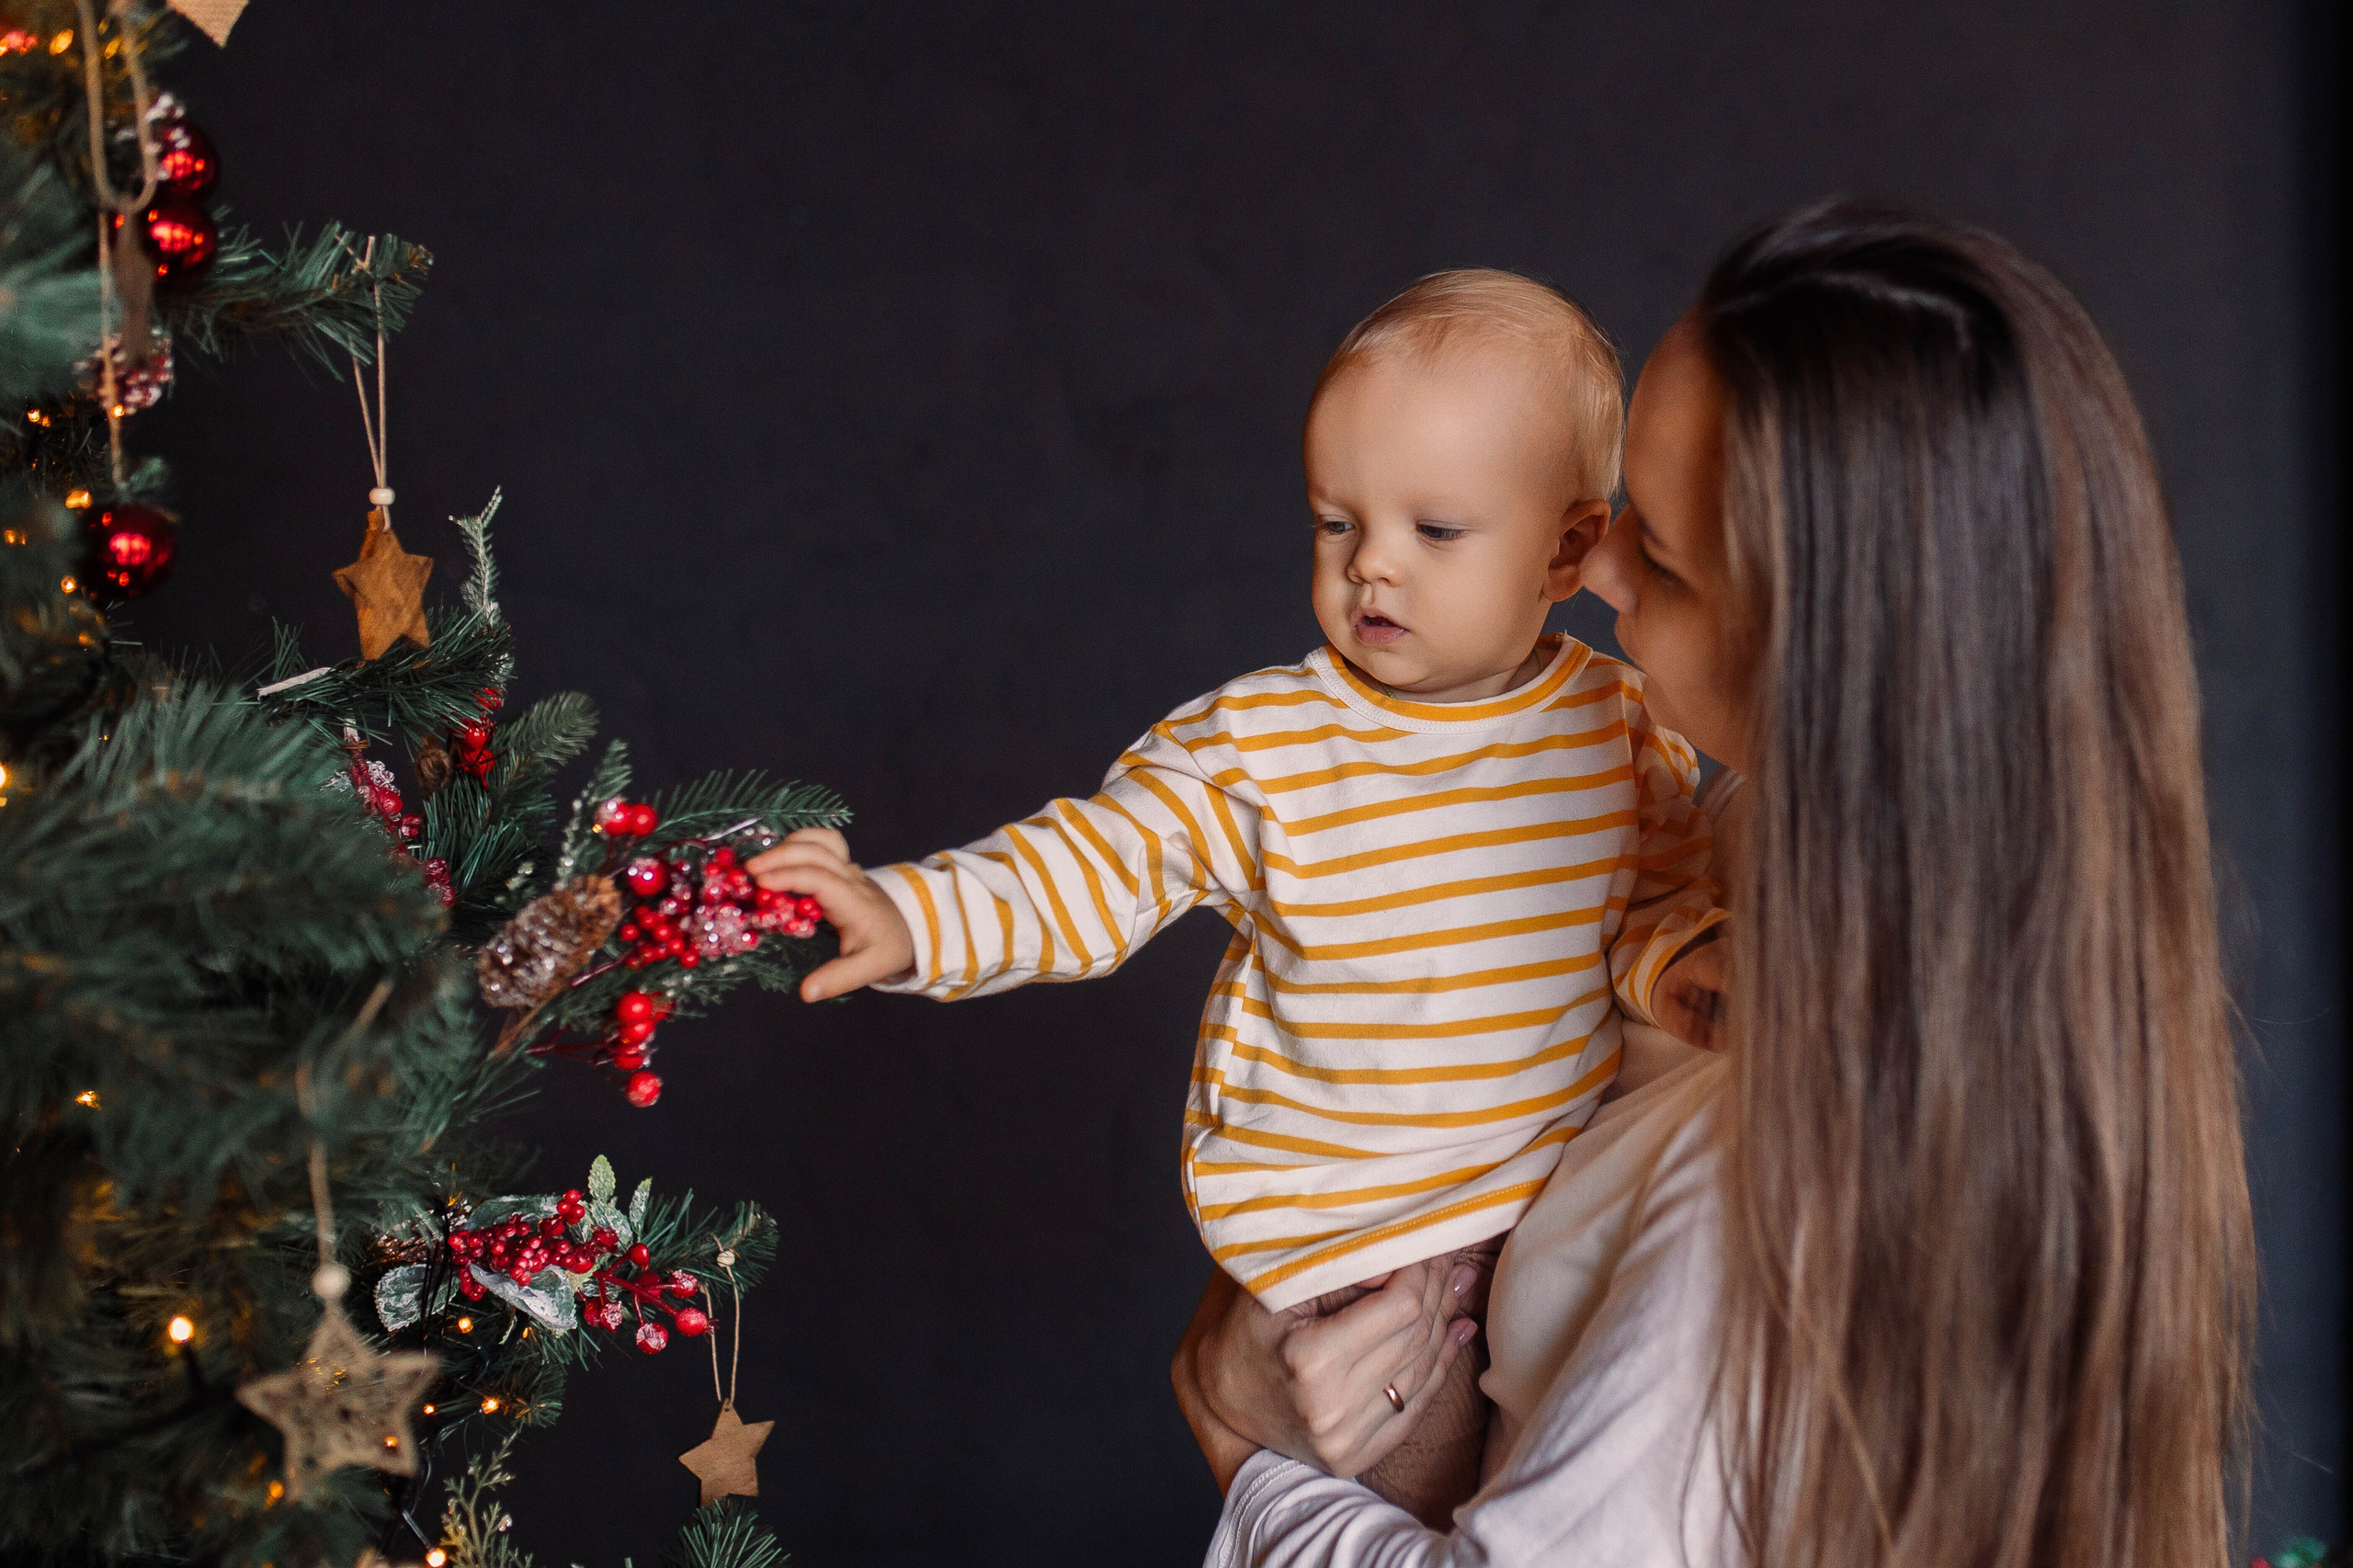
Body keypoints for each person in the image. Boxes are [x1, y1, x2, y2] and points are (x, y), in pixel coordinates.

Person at [1171, 200, 2255, 1568]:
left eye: (1661, 558)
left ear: (1822, 669)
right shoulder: (1781, 876)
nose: (1599, 558)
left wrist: (1240, 1438)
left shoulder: (1776, 1170)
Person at [750, 270, 1730, 1519]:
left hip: (1540, 1215)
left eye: (1434, 530)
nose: (1372, 564)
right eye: (1336, 521)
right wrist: (911, 917)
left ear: (1569, 547)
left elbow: (1658, 904)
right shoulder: (1264, 745)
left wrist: (1700, 976)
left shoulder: (1613, 723)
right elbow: (1093, 865)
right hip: (1362, 1263)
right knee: (1439, 1520)